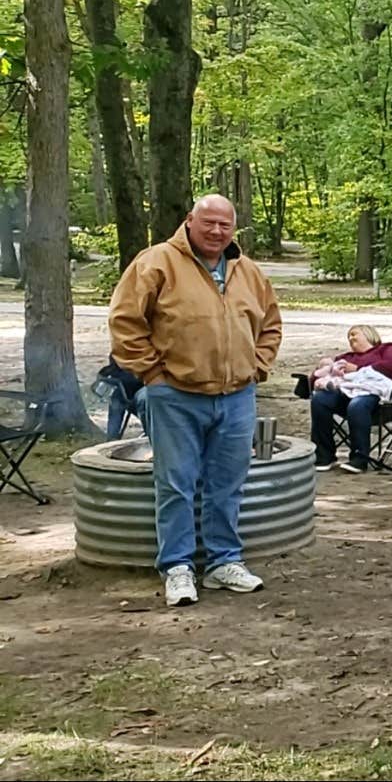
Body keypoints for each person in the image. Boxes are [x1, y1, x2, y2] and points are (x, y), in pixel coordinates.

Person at [109, 195, 283, 608]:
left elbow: (271, 325)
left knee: (228, 485)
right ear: (190, 220)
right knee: (176, 485)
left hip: (237, 396)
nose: (217, 232)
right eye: (209, 223)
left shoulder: (248, 271)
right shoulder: (156, 262)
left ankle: (224, 562)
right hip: (175, 395)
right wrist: (153, 375)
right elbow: (125, 322)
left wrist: (256, 367)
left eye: (225, 225)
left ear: (233, 229)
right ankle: (177, 567)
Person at [309, 325, 392, 473]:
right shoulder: (346, 357)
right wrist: (322, 370)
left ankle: (359, 459)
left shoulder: (387, 349)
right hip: (346, 393)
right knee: (319, 399)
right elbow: (320, 378)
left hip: (376, 395)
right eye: (348, 336)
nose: (350, 338)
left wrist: (357, 368)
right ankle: (324, 456)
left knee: (357, 404)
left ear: (368, 334)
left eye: (354, 334)